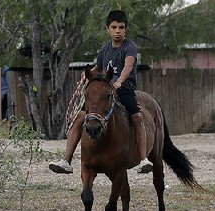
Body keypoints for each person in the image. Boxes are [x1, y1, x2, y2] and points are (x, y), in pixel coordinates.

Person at [49, 9, 153, 174]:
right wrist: (87, 74)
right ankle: (66, 160)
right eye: (114, 27)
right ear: (108, 29)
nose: (117, 31)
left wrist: (119, 81)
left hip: (123, 89)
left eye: (121, 27)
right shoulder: (105, 49)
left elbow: (128, 66)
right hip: (104, 90)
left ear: (125, 29)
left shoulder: (130, 47)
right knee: (80, 118)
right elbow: (99, 67)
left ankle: (143, 159)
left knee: (137, 117)